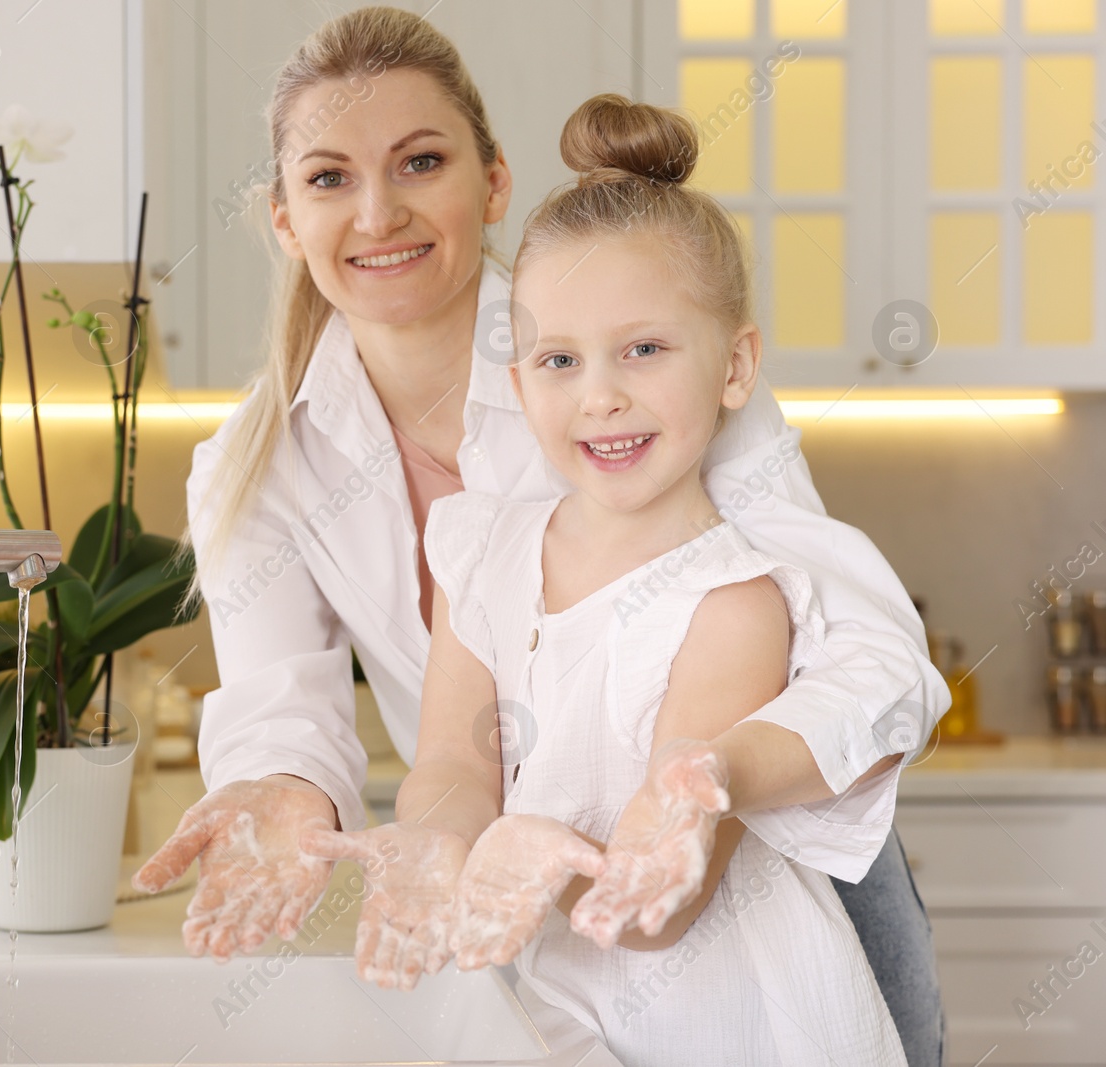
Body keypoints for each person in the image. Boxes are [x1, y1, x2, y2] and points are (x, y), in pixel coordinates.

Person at [131, 8, 946, 1064]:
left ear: (492, 182)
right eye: (329, 177)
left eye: (420, 161)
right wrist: (291, 797)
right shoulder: (254, 463)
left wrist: (701, 787)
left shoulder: (646, 343)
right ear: (285, 217)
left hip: (760, 853)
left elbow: (854, 647)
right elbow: (292, 710)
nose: (378, 211)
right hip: (531, 892)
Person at [304, 91, 909, 1065]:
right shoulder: (484, 555)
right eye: (557, 358)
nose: (599, 395)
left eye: (644, 348)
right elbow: (456, 766)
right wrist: (442, 843)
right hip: (566, 1006)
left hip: (739, 1026)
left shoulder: (734, 600)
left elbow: (661, 910)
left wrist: (541, 859)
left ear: (735, 365)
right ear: (517, 381)